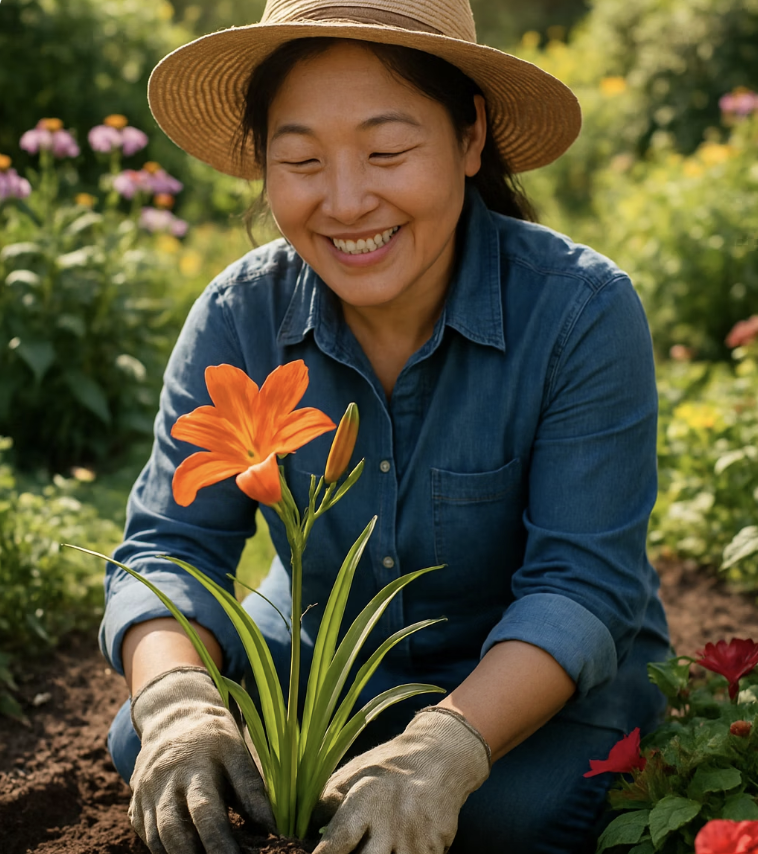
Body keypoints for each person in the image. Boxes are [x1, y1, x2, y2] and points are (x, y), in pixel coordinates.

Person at [101, 1, 671, 853]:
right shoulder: (239, 315)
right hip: (331, 653)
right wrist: (180, 708)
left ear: (470, 139)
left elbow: (581, 585)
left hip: (535, 676)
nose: (345, 200)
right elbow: (169, 550)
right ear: (265, 166)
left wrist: (445, 750)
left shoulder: (580, 311)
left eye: (388, 152)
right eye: (300, 159)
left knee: (508, 818)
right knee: (145, 740)